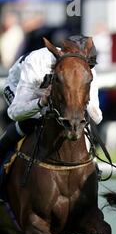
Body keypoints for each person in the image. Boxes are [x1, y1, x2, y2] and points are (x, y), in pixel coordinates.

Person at [0, 35, 103, 163]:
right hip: (19, 88)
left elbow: (97, 117)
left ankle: (91, 164)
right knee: (34, 119)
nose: (81, 68)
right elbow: (14, 112)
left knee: (80, 120)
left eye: (89, 65)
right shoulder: (37, 62)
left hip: (52, 93)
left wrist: (78, 93)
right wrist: (41, 102)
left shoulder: (86, 70)